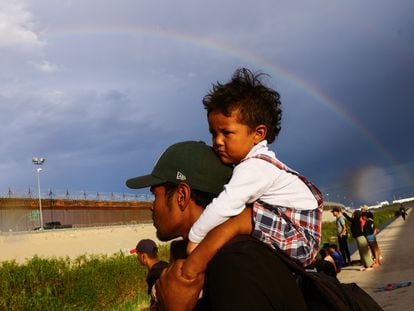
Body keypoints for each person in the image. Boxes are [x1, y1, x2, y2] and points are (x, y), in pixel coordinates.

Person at [126, 140, 308, 310]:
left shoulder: (235, 263)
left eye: (154, 195)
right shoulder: (219, 254)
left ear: (181, 196)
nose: (152, 206)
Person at [187, 68, 323, 267]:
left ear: (258, 133)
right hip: (295, 231)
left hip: (300, 239)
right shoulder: (262, 163)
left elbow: (225, 204)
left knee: (241, 216)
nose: (217, 141)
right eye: (213, 133)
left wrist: (194, 237)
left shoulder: (254, 167)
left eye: (226, 133)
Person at [130, 239, 168, 308]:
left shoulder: (153, 276)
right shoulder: (165, 265)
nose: (137, 257)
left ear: (143, 256)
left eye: (137, 254)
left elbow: (157, 303)